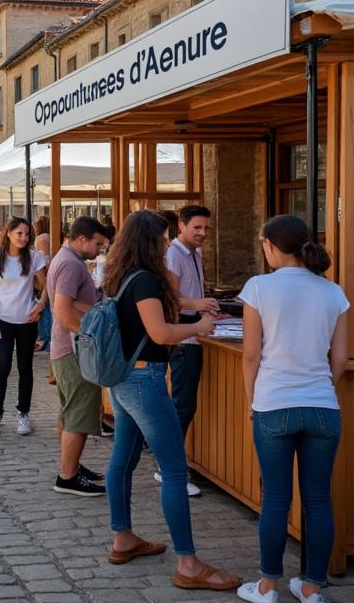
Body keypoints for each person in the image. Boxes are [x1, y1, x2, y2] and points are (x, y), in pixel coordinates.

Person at [100, 211, 236, 592]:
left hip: (125, 379)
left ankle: (123, 538)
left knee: (122, 462)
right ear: (149, 242)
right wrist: (197, 326)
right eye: (161, 238)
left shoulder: (120, 275)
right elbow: (160, 333)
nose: (165, 244)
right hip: (144, 379)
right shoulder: (144, 280)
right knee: (175, 471)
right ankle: (188, 564)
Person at [236, 215, 348, 603]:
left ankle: (267, 587)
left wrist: (252, 399)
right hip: (322, 406)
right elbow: (342, 359)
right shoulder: (333, 292)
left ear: (269, 245)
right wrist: (321, 388)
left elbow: (251, 354)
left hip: (274, 404)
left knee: (276, 499)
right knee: (318, 499)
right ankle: (312, 587)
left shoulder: (258, 287)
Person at [46, 216, 110, 496]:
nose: (99, 249)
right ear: (82, 239)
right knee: (78, 416)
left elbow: (70, 302)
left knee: (70, 412)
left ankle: (71, 466)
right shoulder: (71, 264)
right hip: (73, 350)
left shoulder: (65, 258)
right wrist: (88, 339)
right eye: (97, 243)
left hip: (64, 348)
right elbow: (62, 308)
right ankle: (67, 477)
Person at [160, 204, 219, 498]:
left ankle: (170, 467)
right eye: (197, 227)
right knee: (182, 407)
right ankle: (171, 471)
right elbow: (169, 298)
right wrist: (199, 305)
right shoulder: (174, 254)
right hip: (184, 338)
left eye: (206, 228)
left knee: (184, 406)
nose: (202, 233)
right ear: (181, 226)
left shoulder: (193, 253)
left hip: (194, 333)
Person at [0, 217, 48, 439]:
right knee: (2, 368)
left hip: (27, 321)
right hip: (2, 321)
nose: (24, 237)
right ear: (8, 233)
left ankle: (23, 413)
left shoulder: (35, 257)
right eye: (19, 233)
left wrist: (40, 304)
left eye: (27, 234)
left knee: (25, 368)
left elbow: (47, 284)